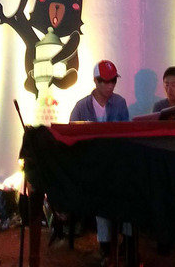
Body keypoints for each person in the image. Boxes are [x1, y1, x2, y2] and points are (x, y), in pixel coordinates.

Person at [70, 61, 130, 265]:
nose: (111, 85)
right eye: (106, 81)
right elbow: (72, 139)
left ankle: (123, 243)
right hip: (93, 166)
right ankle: (107, 245)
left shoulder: (120, 103)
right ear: (96, 81)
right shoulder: (81, 106)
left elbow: (126, 136)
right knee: (103, 195)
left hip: (114, 164)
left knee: (129, 193)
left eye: (113, 81)